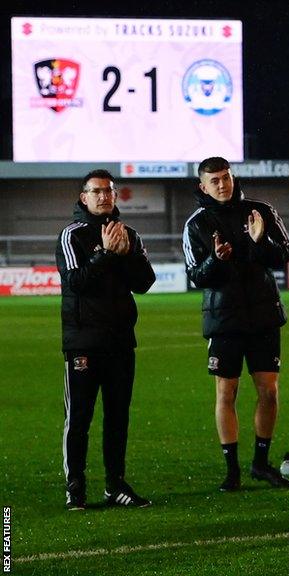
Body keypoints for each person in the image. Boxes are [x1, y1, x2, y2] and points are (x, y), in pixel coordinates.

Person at [183, 157, 289, 491]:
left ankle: (261, 463)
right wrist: (215, 259)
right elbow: (196, 276)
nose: (222, 184)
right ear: (203, 186)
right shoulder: (197, 224)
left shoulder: (261, 210)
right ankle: (231, 469)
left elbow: (284, 254)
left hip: (263, 315)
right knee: (226, 392)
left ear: (234, 178)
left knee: (269, 391)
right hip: (224, 319)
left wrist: (261, 242)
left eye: (226, 178)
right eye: (214, 180)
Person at [57, 169, 156, 510]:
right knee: (79, 418)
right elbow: (76, 282)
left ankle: (115, 485)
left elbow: (144, 282)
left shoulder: (129, 234)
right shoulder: (71, 235)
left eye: (109, 191)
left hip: (120, 342)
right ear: (83, 197)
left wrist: (125, 253)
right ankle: (76, 488)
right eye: (95, 191)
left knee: (118, 417)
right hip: (83, 342)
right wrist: (106, 254)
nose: (103, 196)